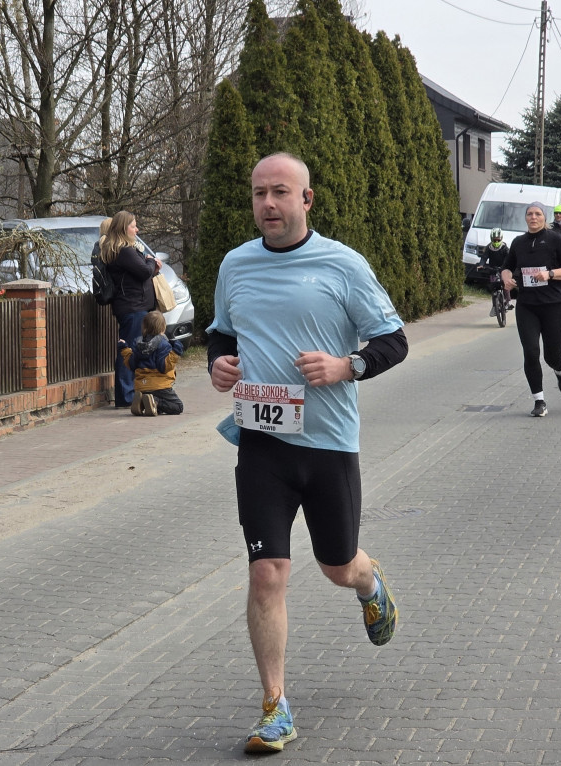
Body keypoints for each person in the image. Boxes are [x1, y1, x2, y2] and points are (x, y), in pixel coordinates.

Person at [206, 152, 408, 753]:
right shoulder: (236, 264)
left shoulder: (343, 265)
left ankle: (370, 584)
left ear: (306, 200)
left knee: (337, 566)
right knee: (267, 574)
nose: (268, 204)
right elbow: (222, 330)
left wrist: (348, 365)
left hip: (328, 444)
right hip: (262, 443)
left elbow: (394, 340)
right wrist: (219, 363)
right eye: (259, 193)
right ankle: (275, 707)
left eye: (280, 193)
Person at [500, 203, 561, 417]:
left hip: (553, 304)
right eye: (529, 214)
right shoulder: (518, 242)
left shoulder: (555, 239)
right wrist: (506, 278)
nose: (533, 217)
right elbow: (506, 266)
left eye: (538, 214)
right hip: (527, 305)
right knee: (531, 352)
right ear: (525, 218)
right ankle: (539, 401)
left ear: (544, 218)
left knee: (552, 355)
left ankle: (560, 371)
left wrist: (550, 274)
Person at [100, 210, 161, 408]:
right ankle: (125, 397)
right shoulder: (125, 251)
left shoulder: (122, 250)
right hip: (133, 307)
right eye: (134, 225)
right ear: (123, 228)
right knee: (129, 351)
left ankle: (131, 394)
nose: (137, 229)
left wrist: (150, 266)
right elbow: (144, 272)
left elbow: (140, 273)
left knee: (132, 349)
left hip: (133, 306)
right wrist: (151, 261)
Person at [119, 310, 185, 416]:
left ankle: (145, 402)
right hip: (160, 386)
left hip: (141, 387)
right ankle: (155, 402)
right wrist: (176, 352)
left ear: (144, 327)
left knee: (156, 401)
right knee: (178, 407)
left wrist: (125, 349)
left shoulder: (138, 344)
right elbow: (164, 366)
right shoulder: (163, 345)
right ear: (163, 328)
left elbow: (131, 365)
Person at [476, 227, 513, 316]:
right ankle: (494, 306)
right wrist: (481, 265)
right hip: (493, 269)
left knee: (505, 285)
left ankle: (508, 301)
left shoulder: (504, 248)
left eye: (498, 240)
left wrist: (505, 267)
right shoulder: (489, 248)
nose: (496, 242)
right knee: (494, 288)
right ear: (491, 239)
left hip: (503, 269)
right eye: (494, 240)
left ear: (501, 239)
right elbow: (484, 257)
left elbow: (508, 258)